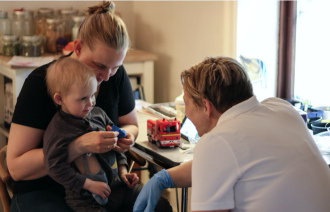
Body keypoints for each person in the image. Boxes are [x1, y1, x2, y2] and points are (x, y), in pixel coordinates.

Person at [6, 1, 172, 211]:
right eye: (99, 66)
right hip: (44, 189)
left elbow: (130, 124)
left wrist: (124, 137)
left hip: (104, 185)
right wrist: (78, 146)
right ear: (77, 47)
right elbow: (16, 168)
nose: (106, 76)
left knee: (159, 206)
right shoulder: (41, 83)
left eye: (115, 67)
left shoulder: (114, 76)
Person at [133, 56, 330, 212]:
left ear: (206, 107)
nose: (187, 112)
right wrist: (164, 178)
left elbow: (217, 154)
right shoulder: (282, 108)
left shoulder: (216, 142)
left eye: (187, 103)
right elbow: (220, 160)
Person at [43, 57, 139, 212]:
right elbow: (54, 167)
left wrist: (123, 170)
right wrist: (88, 184)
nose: (91, 103)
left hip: (117, 187)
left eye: (93, 95)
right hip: (86, 200)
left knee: (159, 203)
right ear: (60, 99)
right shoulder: (57, 130)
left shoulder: (99, 114)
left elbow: (116, 142)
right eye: (83, 98)